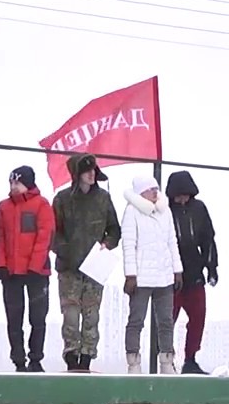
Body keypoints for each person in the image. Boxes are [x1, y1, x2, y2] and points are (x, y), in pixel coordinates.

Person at [52, 153, 121, 372]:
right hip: (69, 268)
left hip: (95, 268)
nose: (91, 175)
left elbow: (114, 229)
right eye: (87, 171)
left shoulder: (103, 198)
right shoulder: (62, 199)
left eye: (94, 171)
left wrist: (107, 244)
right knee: (70, 315)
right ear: (77, 174)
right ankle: (71, 357)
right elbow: (54, 233)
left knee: (92, 316)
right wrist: (67, 252)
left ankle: (87, 358)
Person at [0, 165, 55, 373]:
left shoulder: (42, 205)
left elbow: (44, 237)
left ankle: (36, 358)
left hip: (36, 273)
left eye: (17, 183)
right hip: (11, 273)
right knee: (14, 317)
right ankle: (18, 359)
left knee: (37, 317)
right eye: (11, 183)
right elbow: (0, 238)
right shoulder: (4, 207)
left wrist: (34, 266)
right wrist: (0, 264)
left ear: (27, 183)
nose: (13, 187)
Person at [121, 176, 184, 374]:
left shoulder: (165, 212)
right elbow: (128, 244)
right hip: (141, 278)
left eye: (156, 188)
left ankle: (166, 361)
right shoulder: (132, 212)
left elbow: (172, 241)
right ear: (141, 192)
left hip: (164, 276)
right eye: (150, 189)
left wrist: (177, 269)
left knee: (166, 321)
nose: (155, 192)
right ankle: (133, 362)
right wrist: (130, 274)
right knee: (136, 320)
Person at [166, 170, 218, 375]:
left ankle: (190, 359)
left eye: (185, 194)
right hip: (171, 276)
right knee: (167, 319)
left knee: (198, 318)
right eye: (178, 195)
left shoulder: (199, 208)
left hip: (195, 272)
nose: (182, 198)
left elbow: (208, 239)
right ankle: (166, 359)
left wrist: (212, 267)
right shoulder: (164, 211)